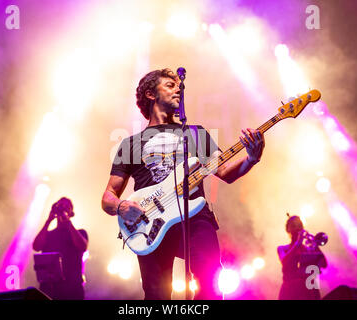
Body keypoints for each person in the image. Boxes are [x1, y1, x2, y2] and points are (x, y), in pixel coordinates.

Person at [101, 68, 265, 300]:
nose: (178, 89)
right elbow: (108, 195)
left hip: (196, 217)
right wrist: (121, 207)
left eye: (178, 85)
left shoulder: (196, 134)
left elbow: (226, 172)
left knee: (210, 284)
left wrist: (251, 158)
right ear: (150, 94)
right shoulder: (131, 144)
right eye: (170, 85)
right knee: (157, 294)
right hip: (150, 223)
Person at [32, 197, 88, 300]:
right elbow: (36, 246)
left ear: (71, 212)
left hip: (72, 289)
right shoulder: (48, 235)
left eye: (67, 206)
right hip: (49, 289)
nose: (63, 208)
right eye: (60, 206)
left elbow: (82, 246)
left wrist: (68, 223)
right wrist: (48, 220)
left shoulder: (80, 232)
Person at [277, 214, 327, 300]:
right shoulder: (282, 248)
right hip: (290, 291)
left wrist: (315, 244)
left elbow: (324, 264)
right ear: (288, 229)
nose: (297, 228)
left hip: (308, 289)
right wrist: (298, 243)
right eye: (293, 226)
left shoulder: (308, 249)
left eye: (300, 225)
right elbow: (284, 262)